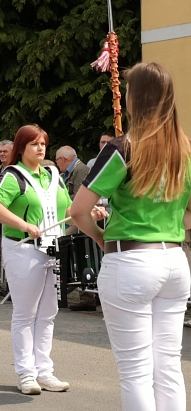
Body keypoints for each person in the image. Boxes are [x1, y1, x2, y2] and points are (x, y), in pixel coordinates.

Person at [70, 62, 191, 411]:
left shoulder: (124, 148)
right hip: (174, 260)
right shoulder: (185, 149)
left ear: (136, 98)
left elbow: (79, 211)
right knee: (168, 365)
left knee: (136, 371)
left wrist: (99, 238)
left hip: (131, 261)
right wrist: (172, 225)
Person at [0, 124, 106, 395]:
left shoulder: (53, 173)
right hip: (23, 248)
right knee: (26, 313)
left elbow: (68, 208)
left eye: (43, 144)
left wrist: (90, 213)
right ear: (21, 148)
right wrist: (23, 224)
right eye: (34, 144)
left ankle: (45, 371)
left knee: (48, 313)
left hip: (53, 249)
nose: (40, 148)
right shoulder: (13, 175)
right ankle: (25, 374)